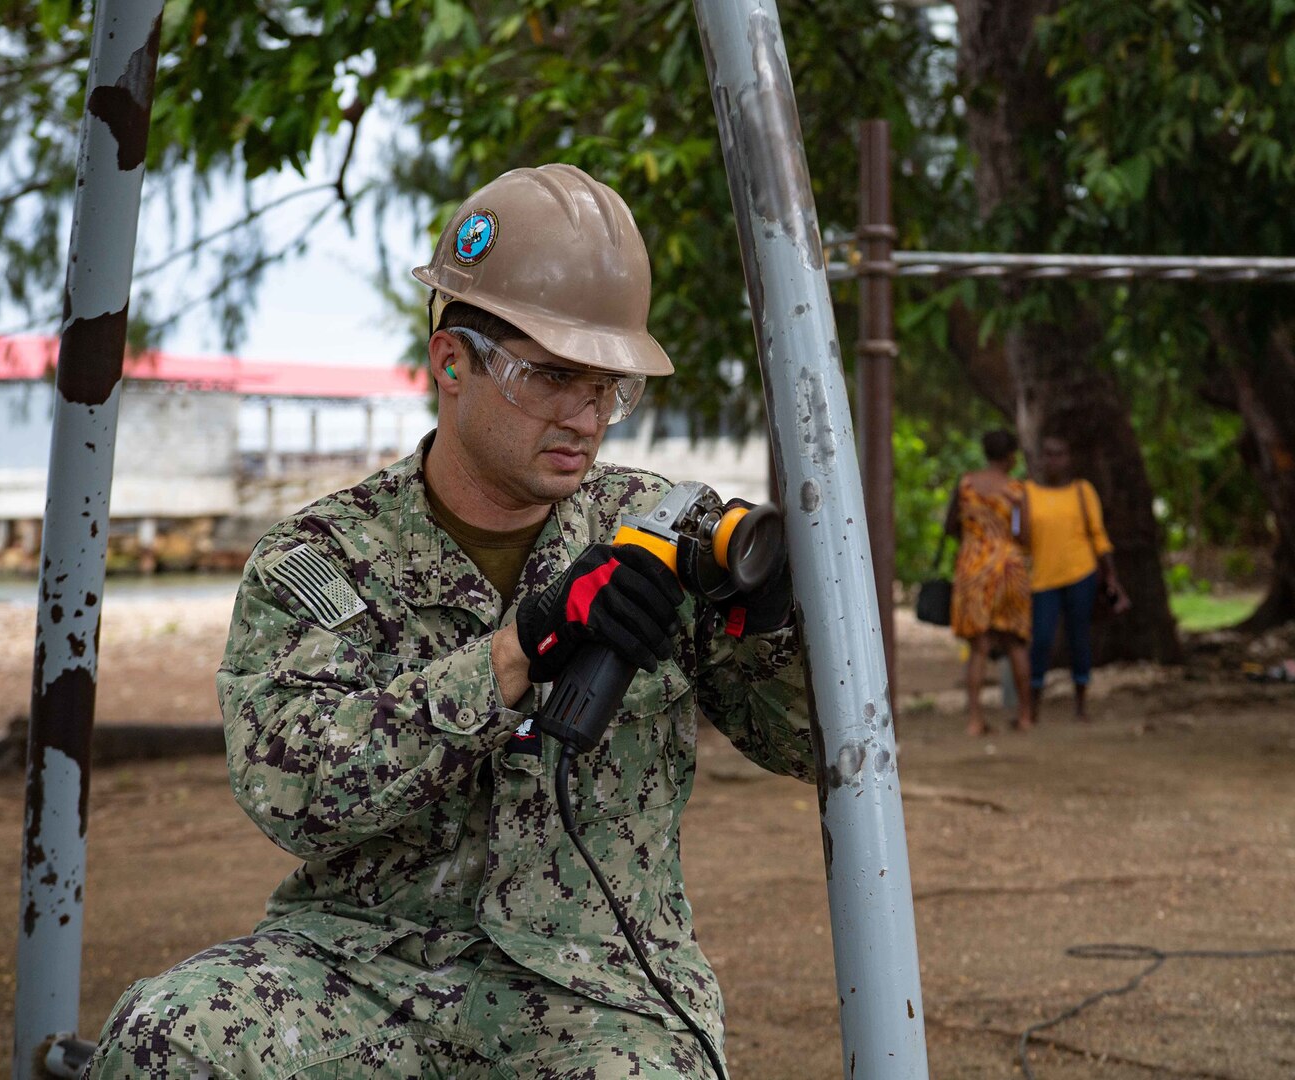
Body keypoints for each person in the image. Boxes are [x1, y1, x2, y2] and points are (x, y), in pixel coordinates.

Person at [84, 164, 812, 1079]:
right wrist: (513, 653)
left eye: (608, 388)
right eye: (551, 377)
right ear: (452, 363)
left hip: (597, 991)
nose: (585, 416)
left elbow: (816, 747)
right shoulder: (320, 559)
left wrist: (773, 621)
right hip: (358, 966)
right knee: (170, 1040)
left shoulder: (658, 536)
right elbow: (292, 792)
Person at [1024, 435, 1130, 722]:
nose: (1052, 460)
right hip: (1043, 579)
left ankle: (1081, 705)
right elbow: (1018, 534)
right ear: (1040, 458)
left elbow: (1098, 535)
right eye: (1047, 454)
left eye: (1058, 454)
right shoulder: (1027, 493)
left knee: (1079, 638)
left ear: (1068, 458)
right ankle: (1032, 706)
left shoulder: (1083, 491)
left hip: (1080, 575)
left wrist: (1112, 577)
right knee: (1042, 640)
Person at [946, 429, 1033, 736]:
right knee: (1015, 642)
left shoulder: (966, 484)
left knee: (978, 646)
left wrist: (974, 540)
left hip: (973, 567)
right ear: (1010, 456)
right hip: (1008, 567)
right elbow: (1021, 533)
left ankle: (974, 719)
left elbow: (951, 525)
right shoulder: (1015, 490)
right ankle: (1024, 716)